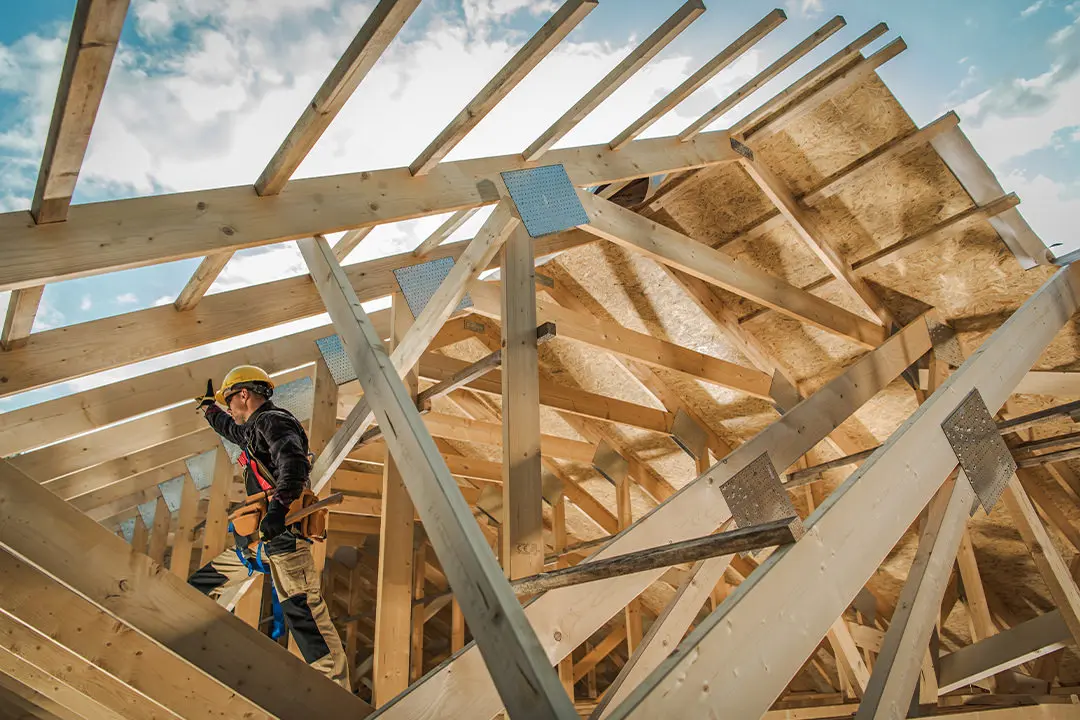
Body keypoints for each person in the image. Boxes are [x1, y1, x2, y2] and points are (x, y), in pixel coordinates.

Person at [187, 365, 349, 690]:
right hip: (261, 542)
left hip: (284, 539)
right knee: (204, 583)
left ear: (243, 394)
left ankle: (337, 693)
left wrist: (277, 509)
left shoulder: (274, 421)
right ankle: (181, 619)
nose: (230, 410)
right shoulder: (252, 430)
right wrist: (209, 408)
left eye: (229, 401)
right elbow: (227, 428)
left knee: (303, 613)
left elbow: (294, 464)